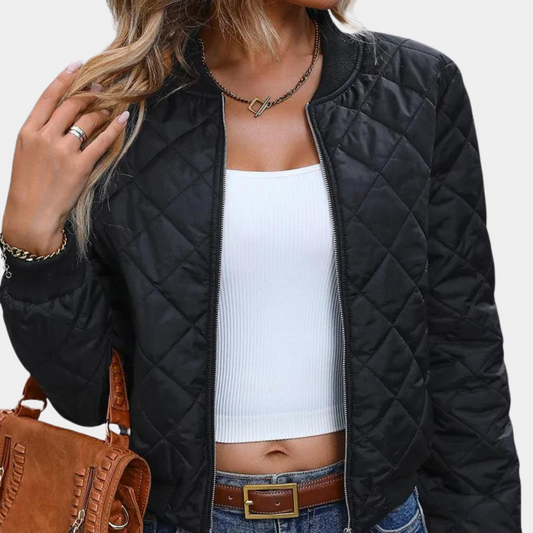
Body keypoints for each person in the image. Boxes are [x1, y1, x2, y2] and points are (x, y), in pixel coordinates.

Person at [0, 1, 522, 532]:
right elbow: (87, 398)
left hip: (377, 519)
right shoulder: (119, 110)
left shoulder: (416, 88)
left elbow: (464, 352)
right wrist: (31, 243)